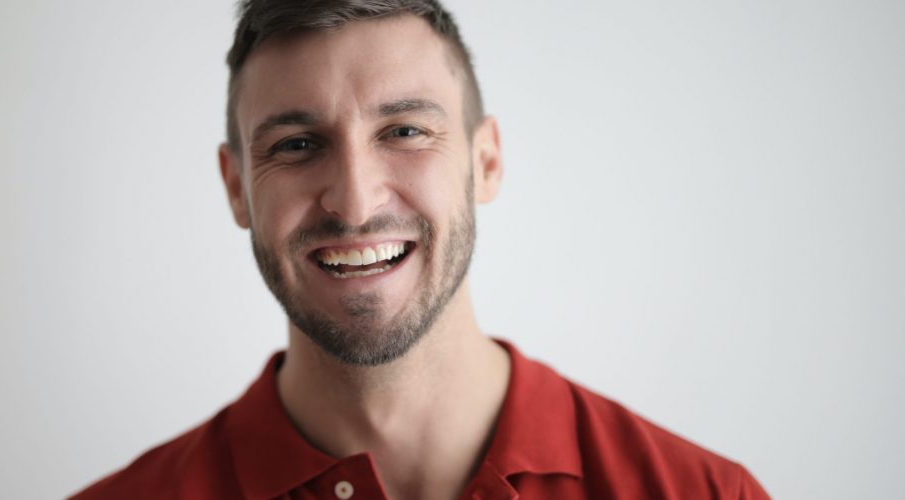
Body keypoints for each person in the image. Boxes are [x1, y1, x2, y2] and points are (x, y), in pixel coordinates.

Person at [72, 1, 770, 498]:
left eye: (404, 131)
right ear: (236, 189)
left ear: (486, 162)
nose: (355, 201)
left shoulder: (701, 493)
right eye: (296, 145)